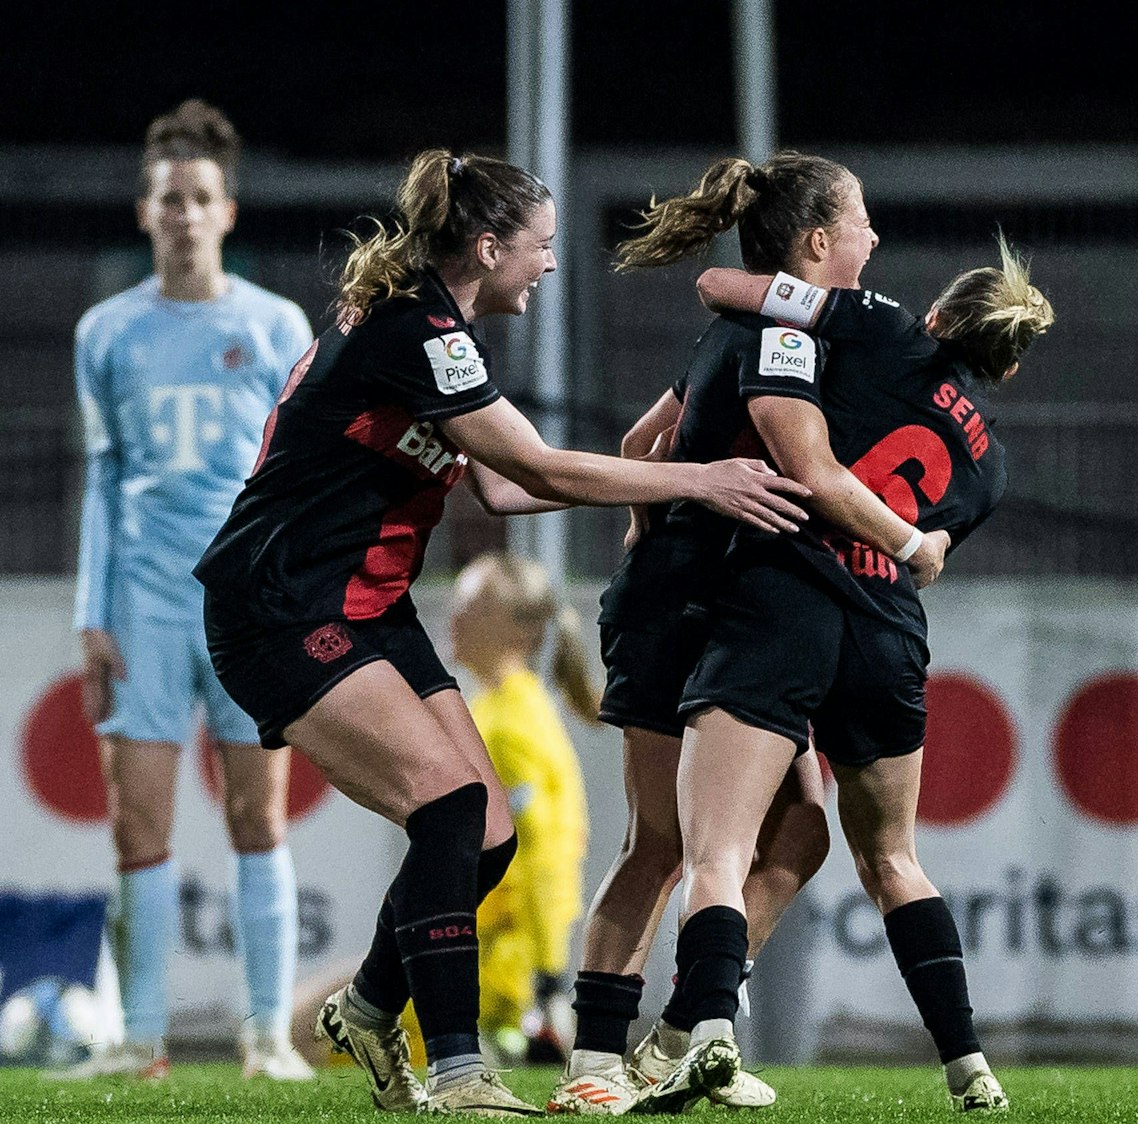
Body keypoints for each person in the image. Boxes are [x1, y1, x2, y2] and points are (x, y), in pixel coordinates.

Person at [193, 148, 809, 1116]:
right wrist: (699, 478)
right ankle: (457, 1072)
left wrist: (649, 479)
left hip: (363, 602)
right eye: (542, 246)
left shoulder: (437, 330)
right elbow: (539, 467)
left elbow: (503, 482)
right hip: (284, 601)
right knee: (442, 807)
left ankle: (365, 1006)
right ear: (487, 245)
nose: (551, 264)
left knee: (484, 830)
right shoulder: (419, 327)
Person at [627, 238, 1052, 1115]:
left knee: (716, 849)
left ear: (938, 317)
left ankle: (702, 1028)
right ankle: (967, 1065)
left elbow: (722, 285)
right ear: (1002, 368)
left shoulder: (884, 327)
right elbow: (924, 553)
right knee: (891, 858)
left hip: (779, 596)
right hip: (887, 631)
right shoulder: (992, 466)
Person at [550, 152, 894, 1115]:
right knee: (677, 843)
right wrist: (909, 541)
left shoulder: (735, 325)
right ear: (819, 241)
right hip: (712, 613)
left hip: (685, 598)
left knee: (787, 835)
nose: (874, 238)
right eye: (861, 221)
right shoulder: (782, 333)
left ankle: (650, 1042)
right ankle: (641, 1049)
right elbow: (811, 470)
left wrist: (648, 536)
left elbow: (637, 447)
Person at [55, 99, 315, 1083]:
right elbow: (104, 477)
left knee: (260, 817)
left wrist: (296, 592)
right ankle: (139, 1037)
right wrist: (92, 615)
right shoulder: (105, 332)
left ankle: (263, 1037)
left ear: (228, 212)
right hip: (145, 608)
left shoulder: (276, 324)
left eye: (200, 196)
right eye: (169, 197)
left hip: (247, 604)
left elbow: (296, 478)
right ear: (144, 211)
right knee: (138, 828)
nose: (184, 212)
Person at [448, 552, 592, 1065]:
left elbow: (543, 854)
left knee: (323, 1020)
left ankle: (528, 1035)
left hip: (499, 978)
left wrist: (549, 980)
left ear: (516, 628)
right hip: (484, 958)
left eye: (470, 603)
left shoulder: (510, 724)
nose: (453, 615)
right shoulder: (497, 708)